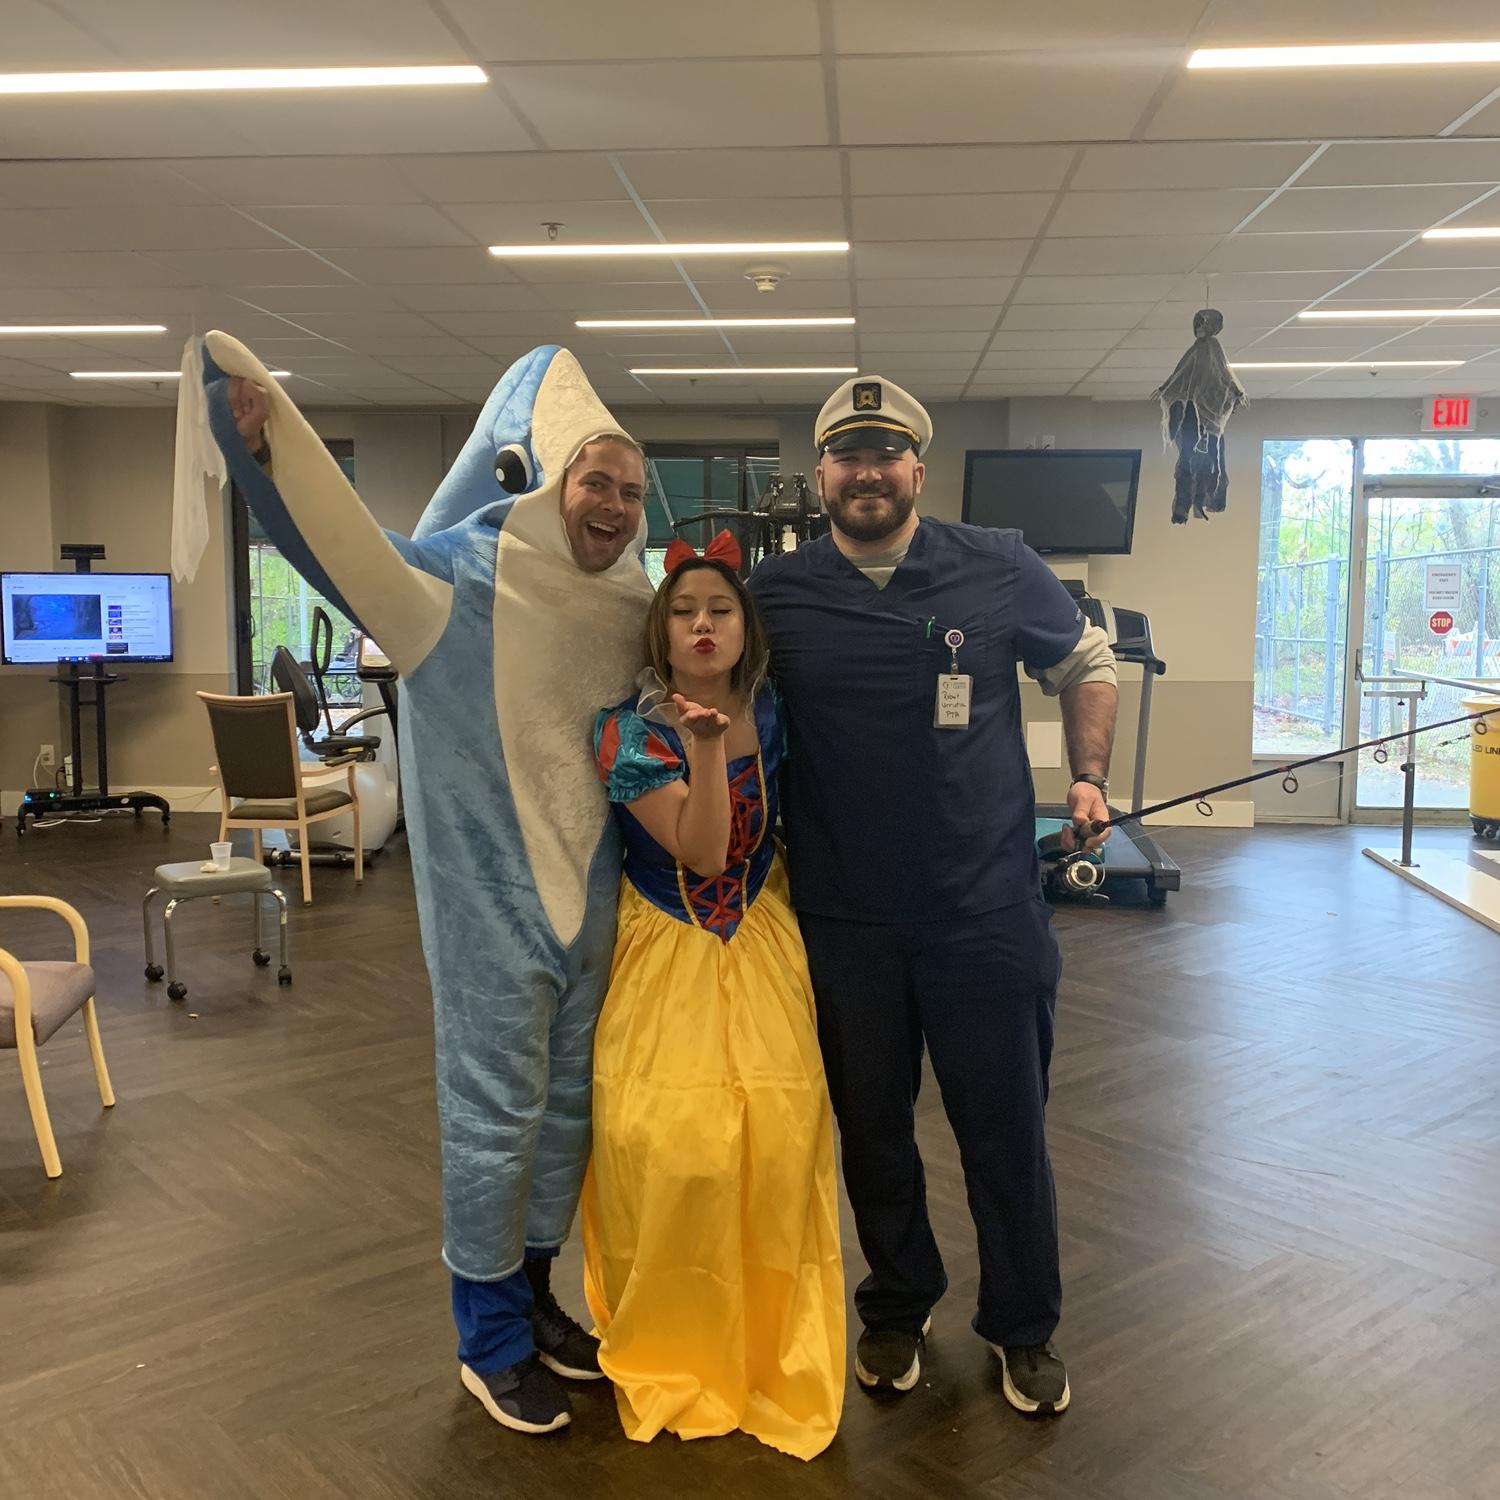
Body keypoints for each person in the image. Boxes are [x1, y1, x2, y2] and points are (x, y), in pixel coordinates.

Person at [202, 334, 654, 1436]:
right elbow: (342, 549)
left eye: (631, 491)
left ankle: (534, 1298)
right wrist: (260, 447)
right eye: (595, 480)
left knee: (567, 1117)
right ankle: (487, 1339)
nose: (613, 506)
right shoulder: (455, 580)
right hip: (493, 909)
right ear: (549, 479)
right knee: (495, 1117)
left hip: (595, 907)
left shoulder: (632, 598)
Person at [747, 376, 1118, 1417]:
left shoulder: (997, 563)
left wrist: (1088, 778)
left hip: (985, 910)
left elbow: (1086, 661)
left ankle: (1023, 1325)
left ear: (918, 467)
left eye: (885, 454)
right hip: (843, 918)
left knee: (1005, 1128)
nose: (866, 473)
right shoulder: (776, 593)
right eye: (847, 455)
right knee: (872, 1131)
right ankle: (898, 1304)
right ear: (821, 473)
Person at [582, 534, 845, 1460]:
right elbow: (700, 855)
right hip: (668, 949)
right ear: (661, 629)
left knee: (779, 1146)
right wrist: (702, 747)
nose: (702, 624)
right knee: (675, 1150)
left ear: (745, 629)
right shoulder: (624, 730)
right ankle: (682, 1344)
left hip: (763, 942)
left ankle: (771, 1346)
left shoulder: (776, 712)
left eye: (720, 609)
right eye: (685, 610)